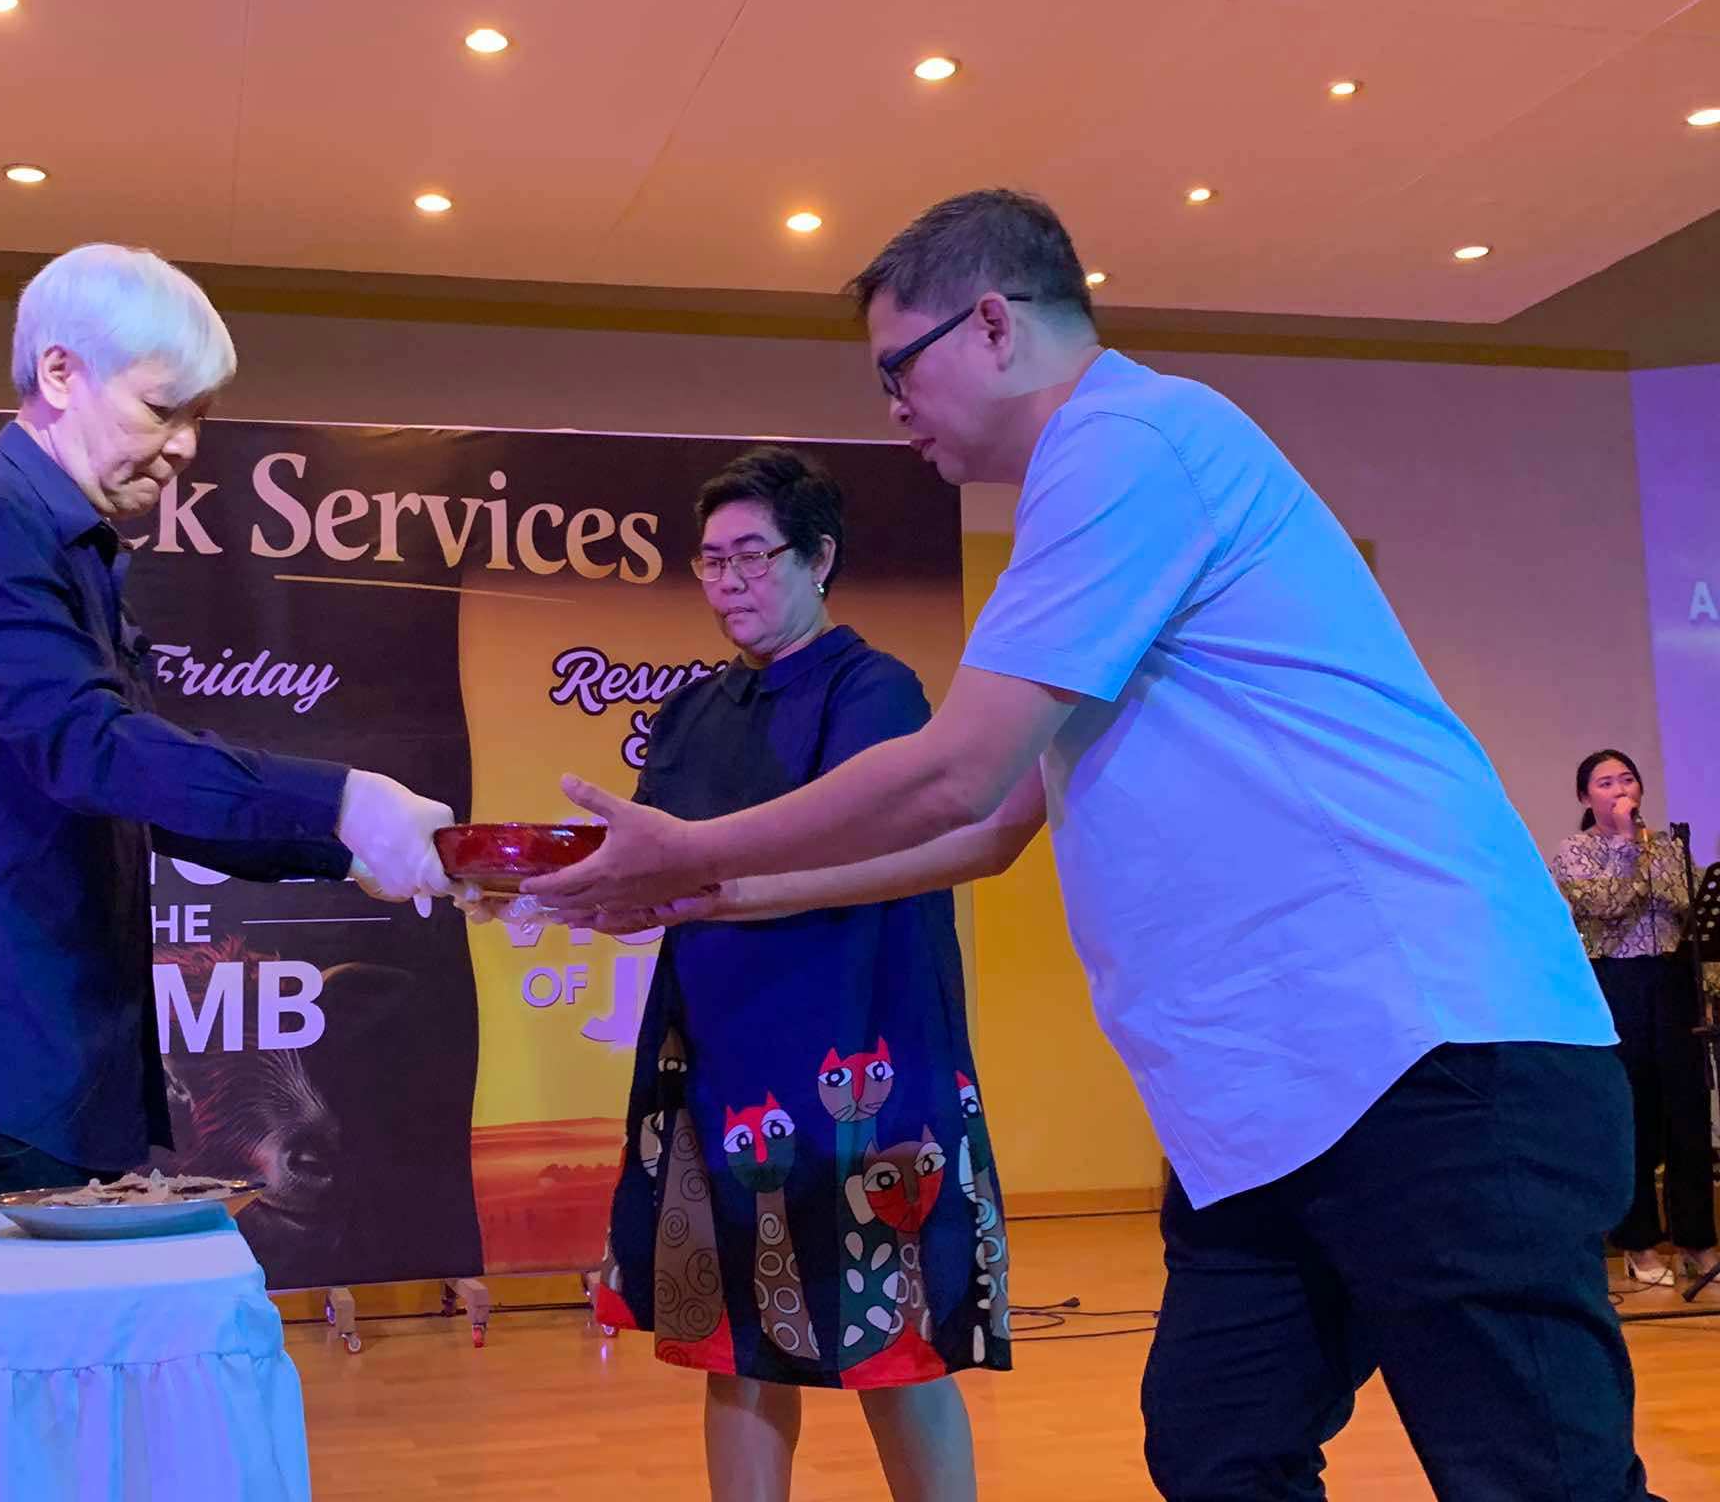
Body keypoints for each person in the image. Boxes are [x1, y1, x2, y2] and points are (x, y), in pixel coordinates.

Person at [534, 190, 1656, 1500]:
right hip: (1272, 1105)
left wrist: (683, 853)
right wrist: (713, 894)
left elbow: (954, 773)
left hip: (1426, 1052)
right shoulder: (1095, 493)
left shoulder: (1130, 443)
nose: (892, 411)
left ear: (992, 325)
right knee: (1218, 1449)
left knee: (1534, 1479)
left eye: (898, 370)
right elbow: (989, 829)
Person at [0, 244, 453, 1203]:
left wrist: (352, 848)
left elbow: (128, 793)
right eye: (163, 410)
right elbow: (92, 752)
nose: (186, 447)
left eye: (199, 418)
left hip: (51, 1070)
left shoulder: (60, 542)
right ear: (58, 373)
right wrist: (343, 799)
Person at [580, 448, 1020, 1502]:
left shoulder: (876, 689)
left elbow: (859, 847)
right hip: (719, 1054)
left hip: (860, 1052)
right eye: (709, 559)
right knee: (732, 1342)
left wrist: (709, 881)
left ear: (818, 559)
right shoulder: (691, 710)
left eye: (751, 555)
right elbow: (659, 867)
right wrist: (576, 891)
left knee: (893, 1339)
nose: (727, 580)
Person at [1550, 749, 1718, 1289]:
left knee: (1689, 1115)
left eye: (1628, 779)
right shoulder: (1576, 851)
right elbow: (1604, 905)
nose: (1620, 789)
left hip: (1673, 981)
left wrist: (1647, 855)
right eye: (1605, 783)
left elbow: (1690, 904)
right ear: (1585, 796)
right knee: (1635, 1114)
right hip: (1618, 982)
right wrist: (1625, 846)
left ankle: (1697, 1242)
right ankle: (1639, 1243)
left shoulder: (1668, 845)